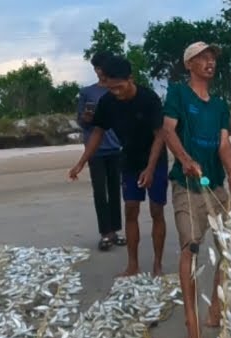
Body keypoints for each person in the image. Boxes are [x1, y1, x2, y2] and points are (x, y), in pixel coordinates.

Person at [160, 41, 231, 338]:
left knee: (228, 248)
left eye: (212, 58)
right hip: (186, 185)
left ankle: (215, 309)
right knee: (190, 248)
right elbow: (168, 131)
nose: (209, 62)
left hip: (215, 185)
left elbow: (224, 144)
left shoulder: (220, 105)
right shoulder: (178, 94)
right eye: (202, 58)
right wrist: (184, 159)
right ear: (189, 65)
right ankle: (191, 318)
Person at [68, 55, 168, 277]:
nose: (116, 92)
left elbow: (160, 135)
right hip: (129, 160)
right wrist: (81, 163)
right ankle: (133, 264)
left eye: (119, 87)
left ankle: (158, 264)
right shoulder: (107, 102)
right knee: (131, 209)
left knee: (156, 211)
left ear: (130, 79)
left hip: (155, 159)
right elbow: (97, 132)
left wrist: (150, 168)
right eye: (111, 88)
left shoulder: (149, 98)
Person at [77, 51, 124, 252]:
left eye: (101, 67)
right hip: (95, 150)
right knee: (99, 192)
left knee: (115, 191)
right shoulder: (87, 92)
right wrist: (86, 118)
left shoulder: (117, 89)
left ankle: (115, 231)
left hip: (115, 147)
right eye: (96, 68)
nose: (99, 72)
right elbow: (80, 121)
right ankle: (105, 233)